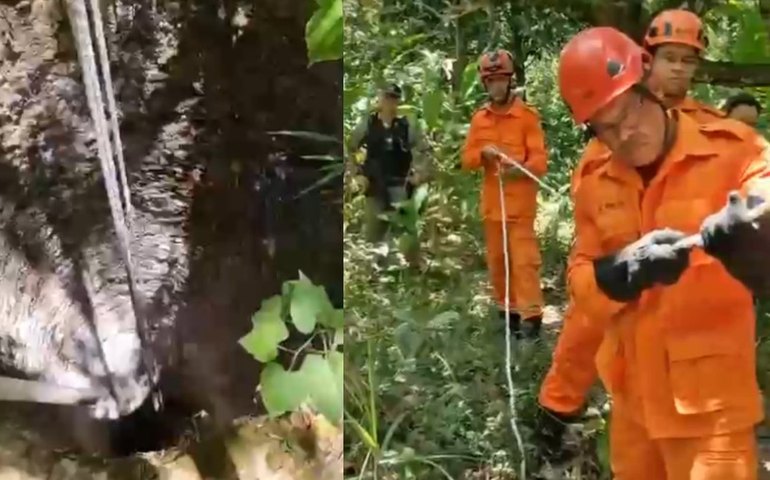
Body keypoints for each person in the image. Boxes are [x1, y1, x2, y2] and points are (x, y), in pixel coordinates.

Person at [558, 25, 770, 479]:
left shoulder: (732, 150)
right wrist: (619, 272)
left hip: (712, 412)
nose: (626, 133)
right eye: (606, 127)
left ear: (648, 82)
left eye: (629, 111)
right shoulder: (596, 176)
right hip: (634, 409)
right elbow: (580, 278)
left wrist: (751, 226)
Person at [536, 9, 727, 455]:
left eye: (687, 59)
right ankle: (554, 411)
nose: (678, 68)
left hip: (684, 283)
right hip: (617, 261)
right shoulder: (611, 129)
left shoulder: (712, 128)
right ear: (647, 59)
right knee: (584, 326)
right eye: (669, 57)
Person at [461, 49, 548, 339]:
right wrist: (483, 154)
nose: (496, 86)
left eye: (501, 80)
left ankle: (531, 321)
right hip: (492, 207)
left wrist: (519, 168)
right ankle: (507, 315)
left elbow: (540, 162)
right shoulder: (479, 119)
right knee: (498, 262)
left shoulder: (527, 117)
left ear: (510, 81)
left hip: (520, 208)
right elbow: (467, 159)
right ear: (485, 84)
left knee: (524, 263)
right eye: (491, 81)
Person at [346, 83, 432, 243]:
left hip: (400, 185)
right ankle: (375, 264)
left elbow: (424, 149)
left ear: (398, 101)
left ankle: (400, 265)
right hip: (374, 185)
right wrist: (355, 173)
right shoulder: (368, 123)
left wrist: (420, 172)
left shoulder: (407, 125)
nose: (389, 101)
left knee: (400, 236)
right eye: (386, 97)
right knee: (373, 235)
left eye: (393, 98)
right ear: (379, 98)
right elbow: (350, 146)